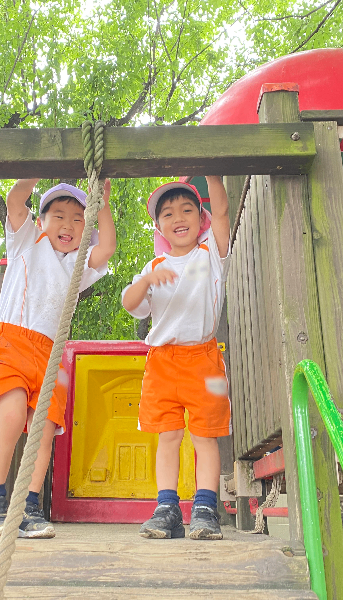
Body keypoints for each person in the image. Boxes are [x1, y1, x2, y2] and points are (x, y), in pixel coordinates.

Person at [0, 178, 116, 538]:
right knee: (12, 415)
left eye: (77, 219)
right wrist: (36, 170)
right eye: (58, 216)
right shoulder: (27, 243)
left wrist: (103, 204)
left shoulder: (76, 266)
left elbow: (108, 248)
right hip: (11, 344)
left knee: (43, 432)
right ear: (41, 222)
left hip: (49, 356)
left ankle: (29, 505)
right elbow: (16, 199)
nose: (68, 225)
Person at [121, 177, 230, 540]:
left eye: (187, 209)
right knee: (167, 436)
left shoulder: (211, 253)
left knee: (205, 437)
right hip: (163, 363)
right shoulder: (154, 266)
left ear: (202, 220)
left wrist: (213, 174)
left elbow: (224, 211)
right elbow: (129, 303)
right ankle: (167, 508)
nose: (178, 217)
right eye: (168, 213)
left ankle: (205, 508)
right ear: (159, 226)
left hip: (204, 360)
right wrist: (147, 279)